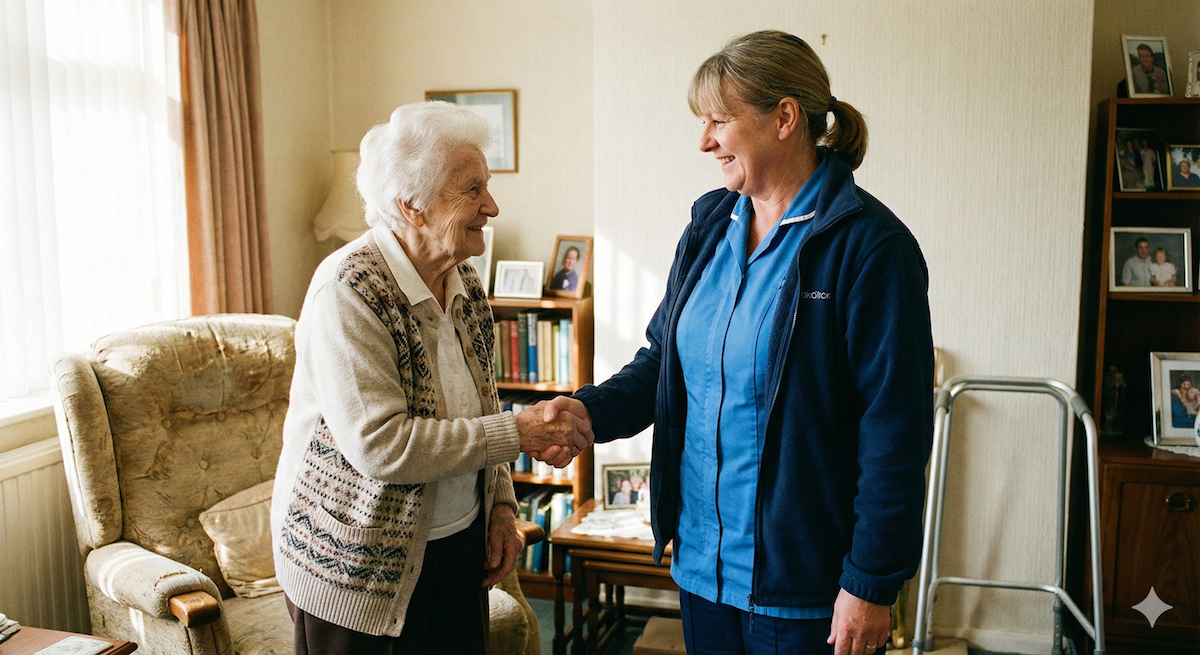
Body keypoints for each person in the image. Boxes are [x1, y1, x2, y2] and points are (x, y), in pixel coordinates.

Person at [563, 31, 934, 655]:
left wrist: (871, 583)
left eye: (718, 121)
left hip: (806, 585)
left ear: (784, 117)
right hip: (702, 568)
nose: (703, 141)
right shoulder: (710, 224)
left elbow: (894, 428)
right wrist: (588, 412)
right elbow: (664, 363)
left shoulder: (870, 247)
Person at [271, 101, 592, 655]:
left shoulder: (462, 279)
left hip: (456, 549)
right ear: (411, 206)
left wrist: (499, 506)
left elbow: (484, 404)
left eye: (485, 186)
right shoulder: (349, 290)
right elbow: (381, 445)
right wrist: (520, 433)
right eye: (471, 190)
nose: (491, 205)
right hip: (355, 568)